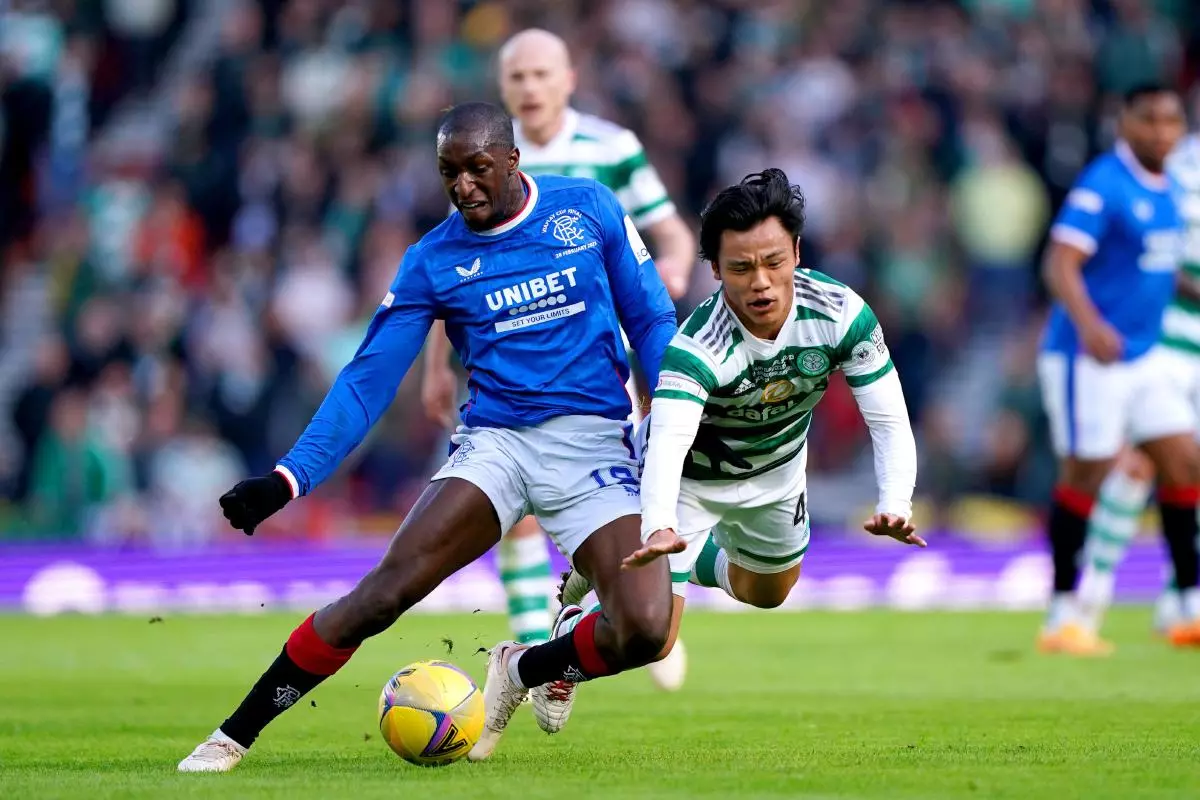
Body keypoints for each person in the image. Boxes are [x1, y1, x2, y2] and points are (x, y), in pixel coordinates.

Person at [177, 102, 678, 772]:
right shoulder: (434, 259)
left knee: (647, 630)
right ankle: (233, 733)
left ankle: (526, 666)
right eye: (449, 172)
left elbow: (650, 318)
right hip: (496, 445)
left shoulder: (587, 208)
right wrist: (287, 478)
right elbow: (368, 380)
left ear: (511, 160)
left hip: (593, 442)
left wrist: (677, 413)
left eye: (477, 169)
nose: (463, 186)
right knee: (382, 595)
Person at [532, 168, 924, 735]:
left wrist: (896, 502)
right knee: (654, 638)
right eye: (740, 268)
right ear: (714, 270)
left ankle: (666, 568)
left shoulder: (841, 314)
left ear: (796, 250)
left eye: (773, 262)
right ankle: (555, 653)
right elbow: (667, 443)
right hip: (689, 481)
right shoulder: (696, 349)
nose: (760, 283)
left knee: (767, 592)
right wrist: (660, 525)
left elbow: (887, 418)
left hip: (778, 471)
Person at [420, 27, 696, 690]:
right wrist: (436, 362)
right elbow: (456, 267)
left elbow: (667, 229)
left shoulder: (611, 149)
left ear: (568, 79)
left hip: (607, 362)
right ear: (503, 87)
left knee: (633, 494)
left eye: (543, 74)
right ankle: (532, 653)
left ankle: (636, 611)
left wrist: (673, 274)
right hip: (510, 360)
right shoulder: (483, 156)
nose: (531, 87)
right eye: (518, 77)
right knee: (513, 510)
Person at [1035, 83, 1200, 656]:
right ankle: (1061, 616)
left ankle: (1189, 605)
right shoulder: (1105, 184)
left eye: (1171, 121)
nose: (1161, 132)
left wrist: (1192, 290)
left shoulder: (1170, 188)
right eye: (1149, 120)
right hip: (1089, 356)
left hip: (1144, 354)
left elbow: (1155, 269)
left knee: (1182, 461)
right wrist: (1090, 325)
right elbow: (1060, 262)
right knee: (1090, 471)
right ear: (1124, 123)